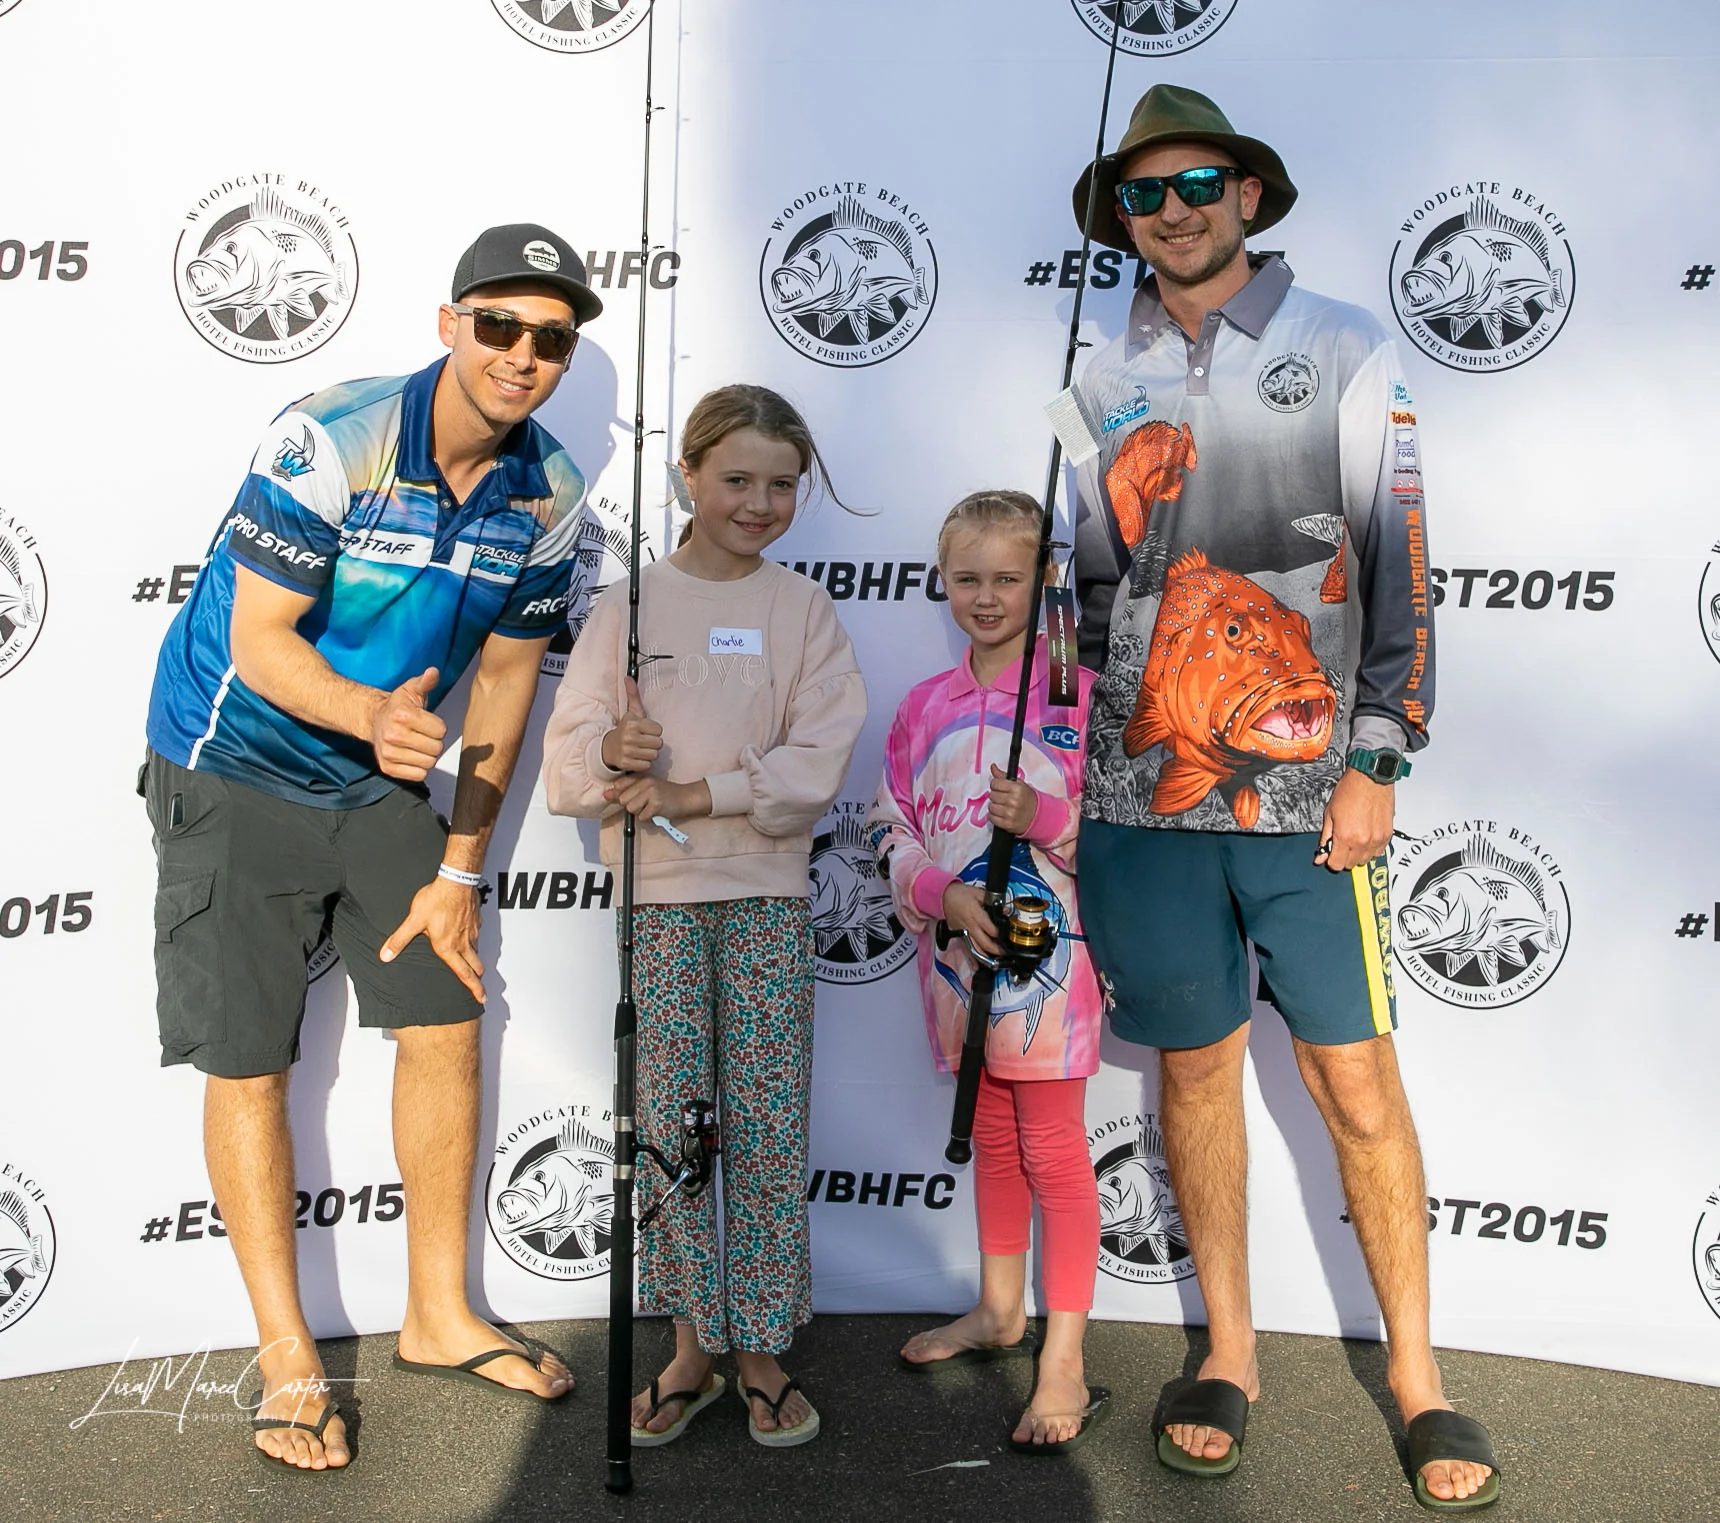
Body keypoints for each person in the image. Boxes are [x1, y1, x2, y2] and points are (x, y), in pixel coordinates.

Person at [1067, 87, 1497, 1510]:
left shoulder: (1346, 345)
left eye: (1197, 183)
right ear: (1123, 217)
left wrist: (1376, 757)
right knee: (1192, 1073)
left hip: (1314, 799)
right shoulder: (1095, 375)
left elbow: (1398, 562)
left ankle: (1419, 1375)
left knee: (1354, 1079)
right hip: (1141, 801)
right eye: (1144, 193)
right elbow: (1091, 593)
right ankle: (1230, 1351)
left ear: (1248, 194)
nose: (1173, 211)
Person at [142, 224, 604, 1472]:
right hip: (231, 764)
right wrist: (371, 715)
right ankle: (288, 1352)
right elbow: (263, 639)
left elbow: (505, 682)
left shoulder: (550, 489)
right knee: (248, 1057)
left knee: (446, 1017)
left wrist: (461, 867)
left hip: (381, 774)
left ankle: (438, 1313)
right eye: (499, 324)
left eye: (552, 338)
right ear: (450, 324)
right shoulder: (331, 435)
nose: (522, 354)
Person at [541, 384, 866, 1449]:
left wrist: (694, 791)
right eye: (736, 479)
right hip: (660, 905)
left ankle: (761, 1347)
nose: (759, 503)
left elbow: (819, 760)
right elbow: (567, 761)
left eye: (781, 484)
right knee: (673, 1129)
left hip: (767, 898)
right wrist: (610, 752)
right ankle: (690, 1343)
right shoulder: (624, 606)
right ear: (688, 475)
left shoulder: (805, 609)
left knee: (767, 1123)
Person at [868, 490, 1106, 1453]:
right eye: (967, 577)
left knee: (1053, 1145)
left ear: (1043, 582)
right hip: (957, 962)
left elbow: (1123, 836)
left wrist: (1043, 818)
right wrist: (941, 892)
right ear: (942, 580)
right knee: (994, 1134)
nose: (987, 596)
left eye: (1009, 578)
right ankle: (1002, 1308)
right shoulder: (923, 706)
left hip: (1056, 973)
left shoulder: (1077, 695)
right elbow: (891, 822)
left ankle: (1066, 1357)